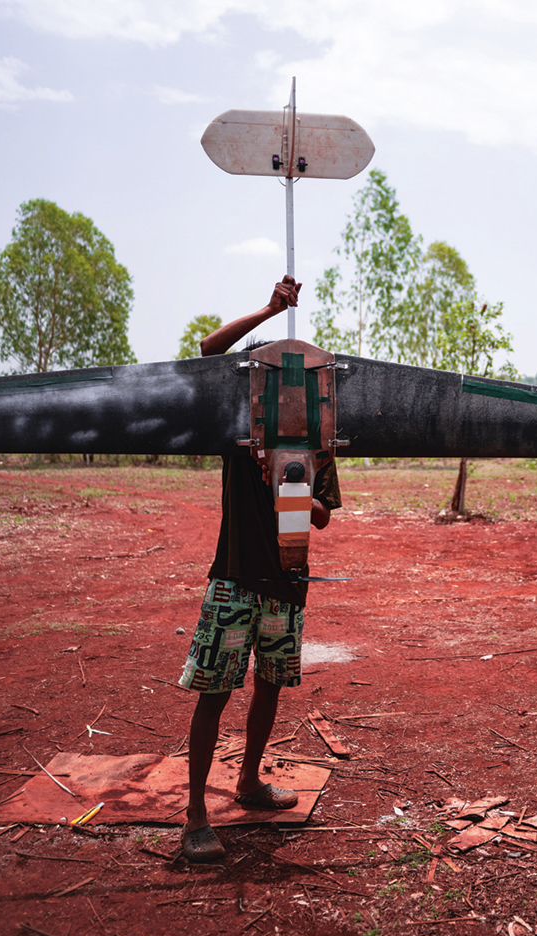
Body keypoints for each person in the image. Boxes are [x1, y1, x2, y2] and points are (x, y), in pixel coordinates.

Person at [178, 275, 342, 863]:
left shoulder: (319, 441)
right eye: (274, 382)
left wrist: (293, 481)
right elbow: (207, 352)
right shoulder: (237, 429)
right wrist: (271, 310)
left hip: (286, 585)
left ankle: (247, 781)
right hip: (234, 578)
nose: (287, 397)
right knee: (214, 690)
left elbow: (323, 519)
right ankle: (196, 811)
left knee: (269, 683)